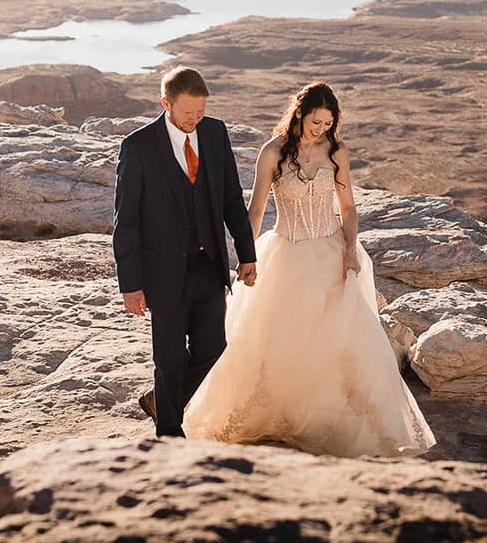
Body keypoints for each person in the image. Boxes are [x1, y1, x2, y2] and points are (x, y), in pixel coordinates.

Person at [183, 81, 435, 457]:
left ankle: (342, 421)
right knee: (275, 340)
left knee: (343, 341)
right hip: (287, 252)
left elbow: (348, 209)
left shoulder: (337, 153)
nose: (321, 130)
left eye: (328, 123)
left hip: (332, 251)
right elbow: (255, 210)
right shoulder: (272, 153)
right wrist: (245, 257)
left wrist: (350, 249)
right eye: (316, 122)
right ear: (299, 113)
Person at [113, 66, 258, 438]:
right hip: (163, 275)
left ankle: (162, 401)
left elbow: (230, 199)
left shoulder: (214, 133)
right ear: (166, 104)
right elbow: (125, 221)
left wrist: (247, 254)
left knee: (214, 348)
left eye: (201, 112)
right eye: (188, 113)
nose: (196, 119)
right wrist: (130, 285)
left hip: (209, 267)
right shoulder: (138, 147)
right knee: (170, 358)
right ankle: (168, 431)